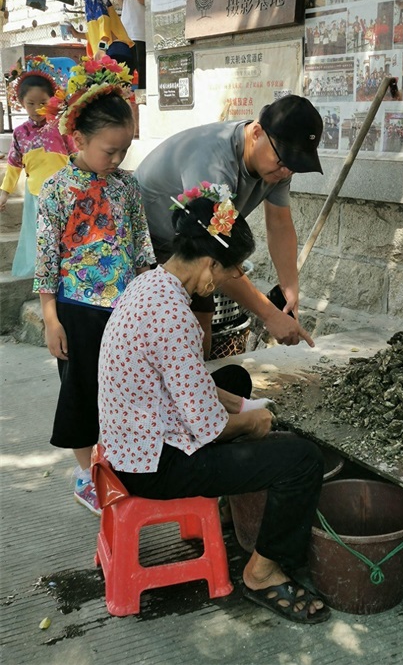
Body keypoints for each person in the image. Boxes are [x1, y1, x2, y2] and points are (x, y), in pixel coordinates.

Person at [97, 193, 331, 625]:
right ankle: (263, 573)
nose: (234, 277)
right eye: (232, 269)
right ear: (208, 264)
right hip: (152, 465)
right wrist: (252, 423)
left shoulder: (149, 283)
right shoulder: (173, 316)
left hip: (129, 442)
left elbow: (186, 384)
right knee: (300, 459)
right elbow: (210, 427)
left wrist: (241, 404)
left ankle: (229, 505)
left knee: (236, 380)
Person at [34, 56, 155, 515]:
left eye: (124, 150)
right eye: (110, 150)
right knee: (81, 392)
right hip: (76, 312)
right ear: (78, 139)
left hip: (124, 311)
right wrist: (51, 318)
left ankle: (120, 460)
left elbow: (141, 249)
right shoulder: (56, 191)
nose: (117, 159)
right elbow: (47, 261)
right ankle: (86, 473)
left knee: (125, 389)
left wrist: (148, 298)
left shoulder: (127, 187)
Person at [134, 95, 323, 357]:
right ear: (257, 132)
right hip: (150, 237)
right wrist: (269, 314)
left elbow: (279, 224)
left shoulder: (277, 167)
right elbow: (217, 251)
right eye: (282, 161)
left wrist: (289, 286)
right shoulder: (213, 164)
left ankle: (197, 387)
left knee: (202, 316)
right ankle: (176, 391)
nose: (285, 173)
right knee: (176, 322)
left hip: (198, 243)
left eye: (294, 167)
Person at [0, 57, 74, 277]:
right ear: (21, 102)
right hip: (36, 195)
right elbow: (14, 164)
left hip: (65, 192)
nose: (36, 108)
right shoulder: (20, 133)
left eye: (42, 103)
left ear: (52, 100)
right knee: (41, 236)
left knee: (65, 234)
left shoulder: (61, 126)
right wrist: (4, 192)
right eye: (30, 103)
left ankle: (66, 271)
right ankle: (45, 274)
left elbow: (76, 155)